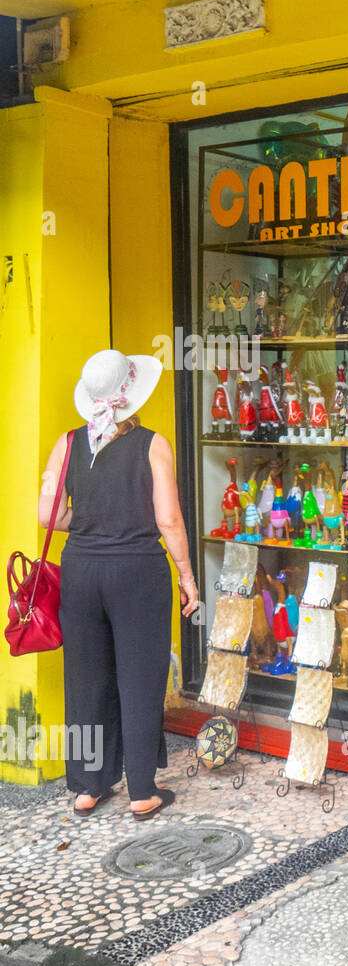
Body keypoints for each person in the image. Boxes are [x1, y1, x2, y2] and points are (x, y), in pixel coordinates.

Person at [38, 349, 200, 820]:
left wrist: (86, 521)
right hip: (138, 574)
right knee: (140, 678)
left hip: (81, 573)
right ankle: (142, 791)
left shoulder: (66, 444)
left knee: (85, 679)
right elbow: (168, 519)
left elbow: (47, 512)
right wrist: (187, 575)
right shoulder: (153, 444)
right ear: (133, 395)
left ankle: (88, 787)